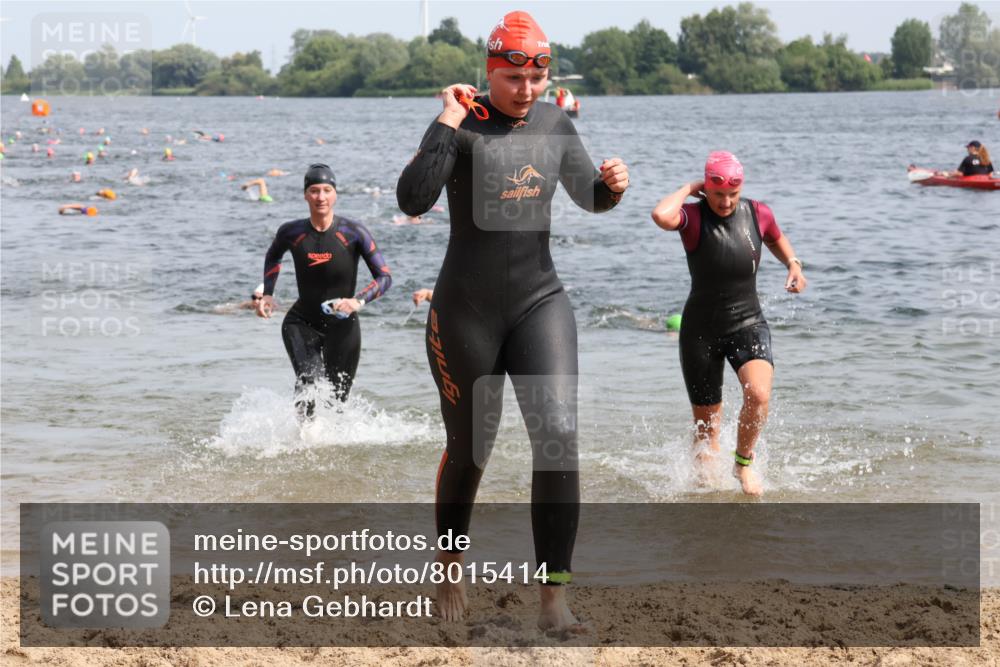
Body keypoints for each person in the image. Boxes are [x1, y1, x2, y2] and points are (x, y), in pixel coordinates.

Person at [396, 10, 629, 631]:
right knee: (471, 449)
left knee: (558, 438)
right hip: (464, 310)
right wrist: (446, 119)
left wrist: (612, 187)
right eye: (512, 78)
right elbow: (412, 198)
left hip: (538, 302)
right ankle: (450, 563)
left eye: (537, 79)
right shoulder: (462, 122)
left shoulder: (555, 122)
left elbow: (590, 197)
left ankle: (554, 599)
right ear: (490, 72)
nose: (526, 91)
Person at [650, 151, 807, 497]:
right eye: (718, 194)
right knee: (707, 430)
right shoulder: (692, 216)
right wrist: (690, 187)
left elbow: (776, 237)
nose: (725, 202)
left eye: (732, 195)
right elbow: (661, 215)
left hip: (747, 321)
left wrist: (793, 264)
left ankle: (743, 464)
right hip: (700, 332)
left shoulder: (758, 213)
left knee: (759, 393)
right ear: (707, 189)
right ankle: (706, 500)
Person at [257, 164, 392, 418]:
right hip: (301, 322)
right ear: (306, 195)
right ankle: (303, 440)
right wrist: (267, 294)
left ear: (335, 194)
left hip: (344, 326)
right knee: (309, 383)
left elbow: (385, 277)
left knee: (338, 402)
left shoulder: (353, 232)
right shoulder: (292, 232)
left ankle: (330, 449)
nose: (321, 197)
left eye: (327, 190)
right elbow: (273, 255)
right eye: (314, 191)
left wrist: (357, 301)